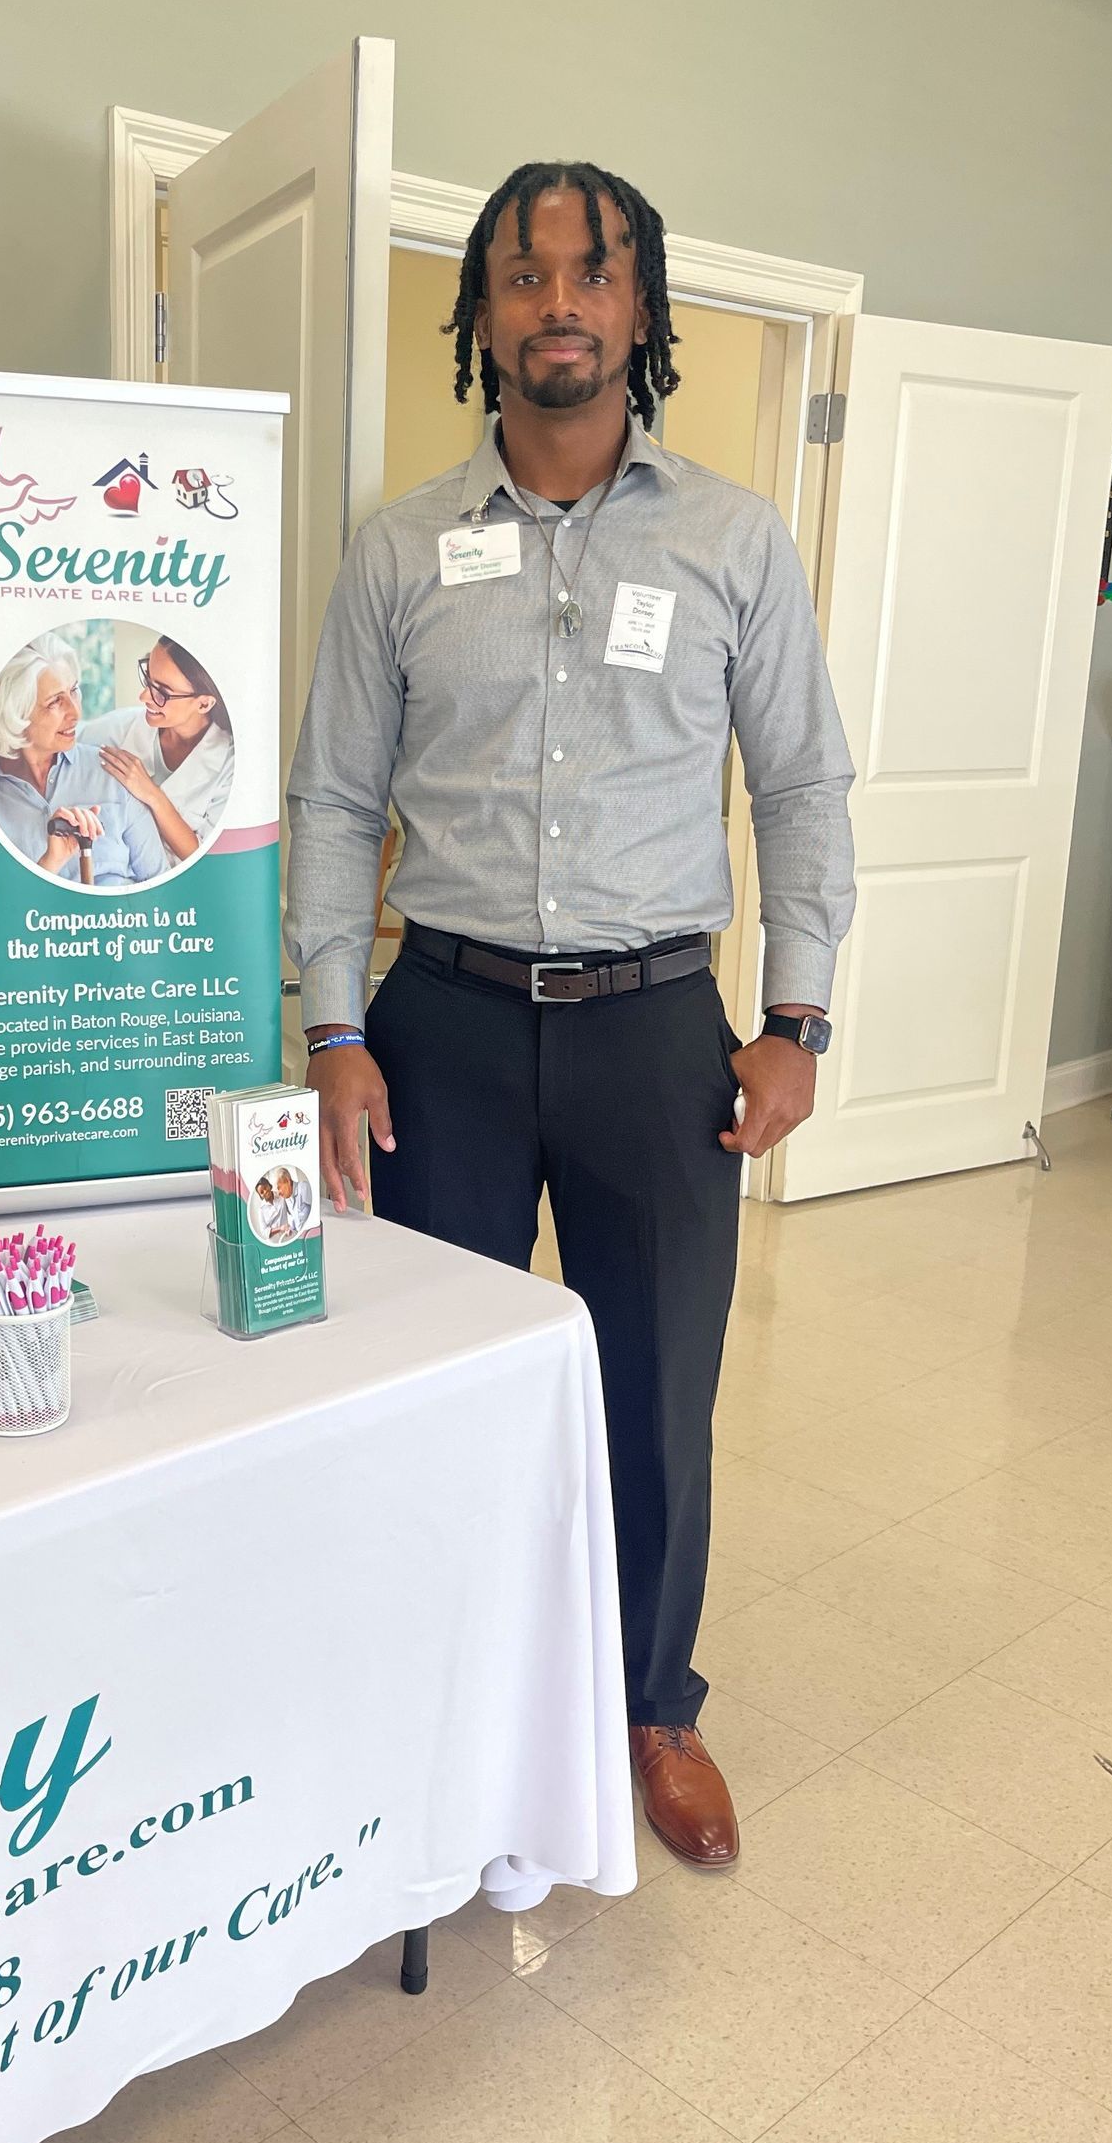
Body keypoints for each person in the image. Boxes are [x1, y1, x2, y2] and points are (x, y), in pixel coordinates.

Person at [285, 162, 855, 1869]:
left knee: (655, 1391)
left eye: (592, 273)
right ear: (482, 312)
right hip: (440, 1031)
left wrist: (799, 1015)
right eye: (525, 274)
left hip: (656, 1030)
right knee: (434, 1377)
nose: (559, 302)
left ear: (639, 309)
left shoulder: (735, 540)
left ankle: (652, 1708)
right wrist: (333, 1030)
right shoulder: (399, 548)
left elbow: (802, 783)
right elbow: (333, 800)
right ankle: (440, 1690)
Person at [0, 635, 166, 887]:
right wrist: (49, 864)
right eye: (55, 701)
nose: (76, 712)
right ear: (14, 714)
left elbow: (163, 886)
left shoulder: (113, 772)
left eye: (74, 691)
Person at [81, 637, 236, 859]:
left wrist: (152, 795)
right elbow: (59, 746)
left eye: (162, 692)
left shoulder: (229, 767)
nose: (144, 696)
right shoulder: (117, 729)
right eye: (148, 678)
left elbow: (204, 857)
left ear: (204, 703)